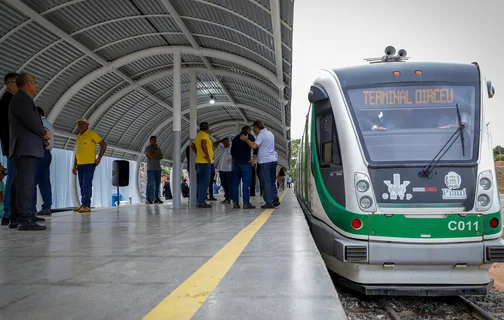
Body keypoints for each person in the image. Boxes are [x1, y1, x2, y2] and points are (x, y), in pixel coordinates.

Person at [8, 73, 50, 230]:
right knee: (24, 183)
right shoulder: (23, 99)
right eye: (35, 83)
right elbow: (32, 122)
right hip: (25, 147)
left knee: (20, 182)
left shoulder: (20, 99)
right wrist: (44, 132)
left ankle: (17, 216)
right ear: (27, 83)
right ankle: (24, 218)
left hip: (23, 147)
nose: (36, 86)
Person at [241, 120, 280, 209]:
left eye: (255, 129)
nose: (254, 131)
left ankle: (269, 202)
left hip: (265, 161)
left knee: (266, 182)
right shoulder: (270, 133)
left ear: (257, 128)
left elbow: (254, 146)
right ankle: (275, 199)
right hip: (273, 160)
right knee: (271, 181)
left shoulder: (261, 135)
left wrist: (246, 139)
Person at [72, 118, 107, 213]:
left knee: (87, 184)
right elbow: (78, 152)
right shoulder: (79, 136)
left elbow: (103, 145)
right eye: (78, 124)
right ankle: (83, 204)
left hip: (89, 164)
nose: (80, 126)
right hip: (80, 164)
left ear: (87, 125)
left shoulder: (92, 134)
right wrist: (74, 166)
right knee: (82, 185)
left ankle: (86, 205)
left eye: (82, 123)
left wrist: (99, 158)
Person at [0, 73, 18, 226]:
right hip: (13, 147)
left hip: (10, 146)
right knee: (13, 179)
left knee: (14, 179)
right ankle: (9, 214)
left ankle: (10, 213)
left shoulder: (7, 100)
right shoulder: (8, 101)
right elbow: (9, 127)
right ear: (11, 84)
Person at [31, 107, 54, 216]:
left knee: (32, 181)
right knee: (44, 181)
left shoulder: (41, 124)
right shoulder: (47, 123)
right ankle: (47, 206)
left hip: (40, 153)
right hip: (46, 155)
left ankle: (31, 209)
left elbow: (43, 136)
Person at [231, 125, 258, 209]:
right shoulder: (249, 136)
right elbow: (255, 147)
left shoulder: (235, 138)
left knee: (235, 184)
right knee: (246, 184)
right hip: (246, 163)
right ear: (249, 131)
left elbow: (232, 152)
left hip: (236, 163)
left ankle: (235, 203)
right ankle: (246, 203)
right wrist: (253, 158)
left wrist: (236, 159)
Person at [191, 122, 213, 208]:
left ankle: (199, 200)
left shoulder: (198, 135)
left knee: (200, 183)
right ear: (207, 128)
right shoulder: (204, 135)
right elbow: (203, 144)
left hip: (199, 162)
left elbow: (192, 146)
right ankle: (201, 202)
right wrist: (207, 157)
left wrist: (198, 154)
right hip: (204, 163)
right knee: (204, 183)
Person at [144, 136, 163, 204]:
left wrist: (154, 155)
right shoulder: (148, 148)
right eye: (153, 140)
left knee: (157, 184)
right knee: (150, 184)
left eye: (155, 140)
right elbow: (150, 155)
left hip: (158, 168)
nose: (154, 141)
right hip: (151, 169)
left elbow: (161, 156)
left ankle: (156, 198)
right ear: (150, 141)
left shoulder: (159, 148)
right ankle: (148, 199)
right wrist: (154, 151)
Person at [213, 137, 233, 204]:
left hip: (229, 170)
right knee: (224, 184)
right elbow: (214, 143)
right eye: (224, 142)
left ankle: (229, 198)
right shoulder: (222, 148)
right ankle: (226, 197)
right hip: (221, 170)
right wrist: (220, 140)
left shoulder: (231, 149)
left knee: (229, 185)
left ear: (229, 142)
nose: (225, 144)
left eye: (227, 142)